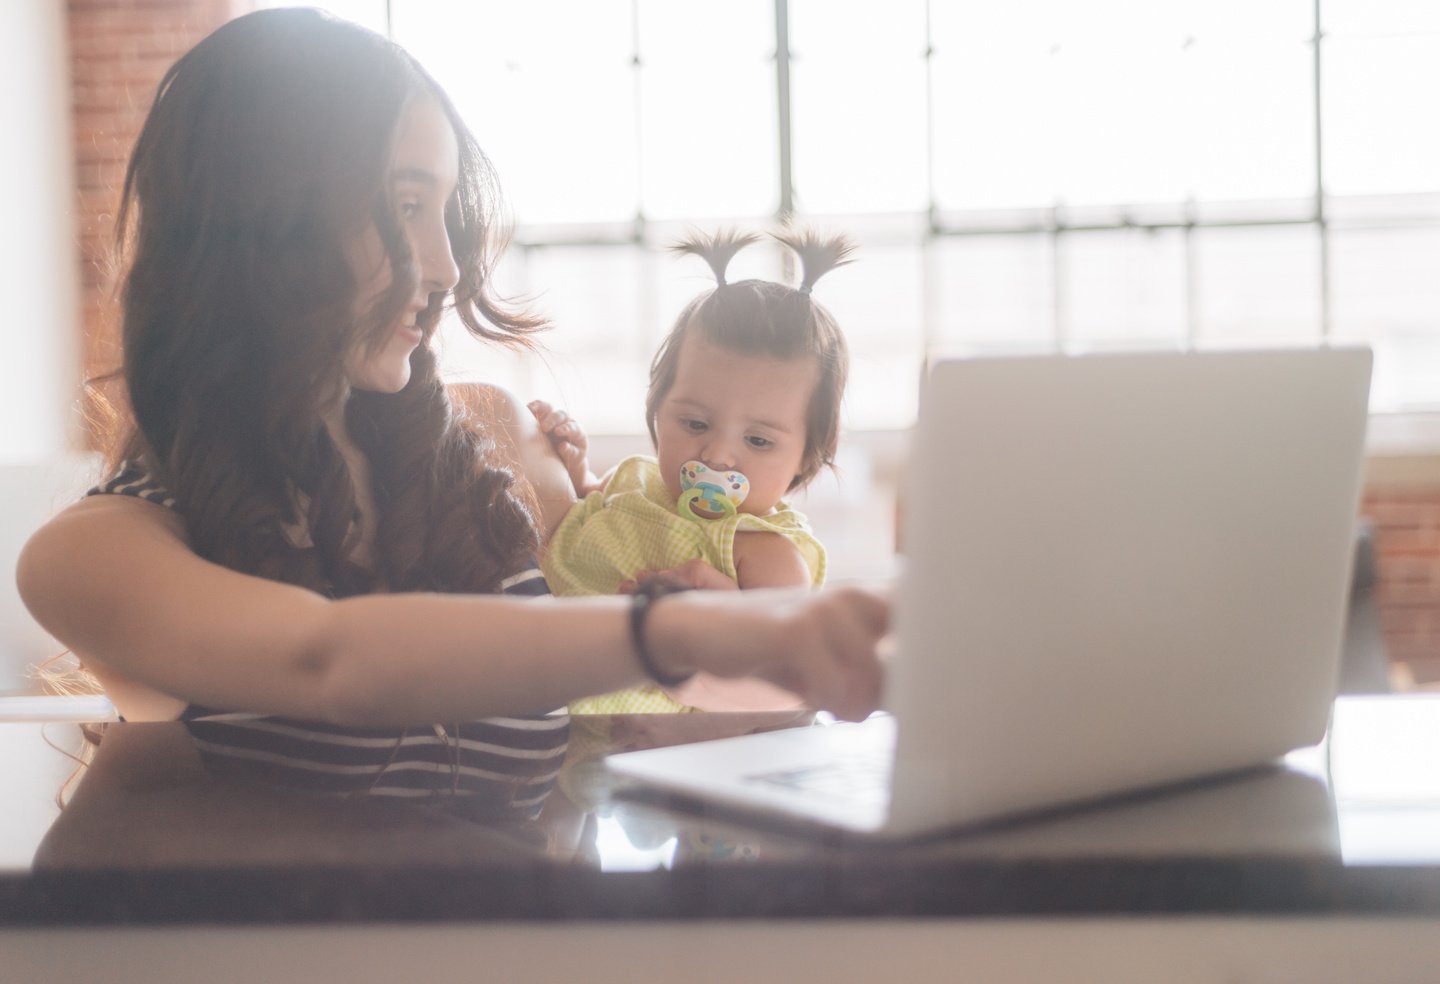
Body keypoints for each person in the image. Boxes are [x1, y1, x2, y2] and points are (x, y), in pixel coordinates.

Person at [15, 8, 886, 817]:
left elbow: (667, 687)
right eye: (402, 207)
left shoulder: (492, 441)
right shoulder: (91, 556)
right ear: (259, 226)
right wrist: (671, 629)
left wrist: (770, 641)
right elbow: (334, 660)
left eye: (442, 211)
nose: (444, 266)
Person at [529, 229, 853, 714]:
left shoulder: (767, 554)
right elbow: (600, 520)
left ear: (808, 456)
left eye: (759, 441)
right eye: (695, 423)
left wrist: (718, 613)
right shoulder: (638, 478)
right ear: (657, 407)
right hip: (533, 662)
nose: (717, 456)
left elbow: (779, 680)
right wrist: (576, 472)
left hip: (632, 724)